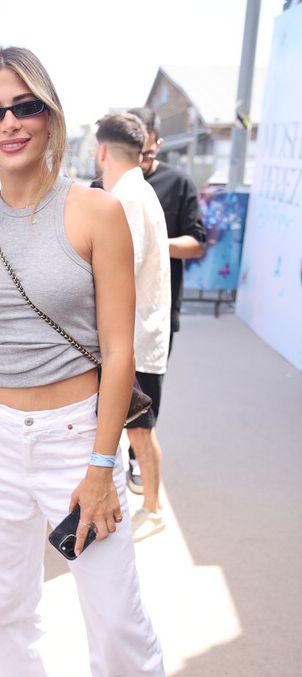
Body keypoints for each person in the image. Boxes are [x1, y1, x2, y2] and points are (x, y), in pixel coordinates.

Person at [0, 47, 229, 677]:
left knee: (116, 613)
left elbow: (118, 350)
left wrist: (103, 466)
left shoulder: (95, 210)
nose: (9, 123)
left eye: (24, 105)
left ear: (50, 114)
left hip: (77, 436)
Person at [94, 113, 170, 541]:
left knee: (140, 430)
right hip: (137, 335)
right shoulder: (134, 191)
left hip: (136, 339)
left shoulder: (128, 198)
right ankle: (144, 505)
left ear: (102, 151)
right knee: (133, 430)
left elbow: (120, 269)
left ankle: (153, 508)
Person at [126, 106, 206, 495]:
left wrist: (154, 241)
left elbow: (196, 243)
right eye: (132, 152)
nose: (140, 161)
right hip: (106, 313)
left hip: (155, 314)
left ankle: (137, 462)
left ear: (157, 143)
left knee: (144, 400)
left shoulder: (178, 182)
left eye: (146, 152)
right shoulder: (104, 185)